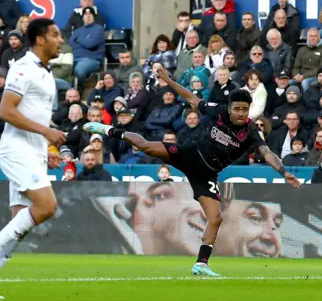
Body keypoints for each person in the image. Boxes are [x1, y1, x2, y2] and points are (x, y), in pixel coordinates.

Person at [83, 69, 300, 276]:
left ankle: (201, 264)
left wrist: (282, 171)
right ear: (230, 108)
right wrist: (168, 80)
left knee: (215, 218)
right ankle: (108, 130)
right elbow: (192, 99)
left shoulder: (251, 131)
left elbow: (267, 152)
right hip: (191, 154)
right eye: (237, 109)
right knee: (146, 146)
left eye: (245, 109)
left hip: (207, 175)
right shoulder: (220, 111)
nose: (241, 113)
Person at [0, 18, 66, 299]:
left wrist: (45, 148)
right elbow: (6, 111)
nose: (60, 40)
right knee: (47, 206)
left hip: (33, 151)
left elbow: (34, 114)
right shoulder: (23, 68)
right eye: (55, 35)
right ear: (40, 39)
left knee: (20, 224)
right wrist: (46, 132)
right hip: (16, 149)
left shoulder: (46, 73)